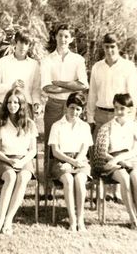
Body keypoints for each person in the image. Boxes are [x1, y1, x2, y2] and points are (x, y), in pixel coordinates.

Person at [87, 33, 137, 202]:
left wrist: (130, 118)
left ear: (118, 47)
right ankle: (99, 190)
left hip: (120, 114)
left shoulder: (128, 67)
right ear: (103, 47)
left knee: (118, 150)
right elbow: (92, 93)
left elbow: (132, 95)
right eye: (106, 47)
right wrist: (90, 117)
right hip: (101, 113)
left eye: (113, 47)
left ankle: (116, 191)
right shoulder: (97, 67)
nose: (109, 50)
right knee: (99, 152)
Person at [94, 93, 137, 230]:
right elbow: (102, 152)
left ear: (130, 109)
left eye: (122, 108)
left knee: (136, 178)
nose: (118, 112)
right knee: (124, 178)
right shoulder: (107, 127)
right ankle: (132, 219)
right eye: (116, 108)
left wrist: (121, 160)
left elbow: (135, 150)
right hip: (111, 160)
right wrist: (115, 161)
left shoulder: (135, 127)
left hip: (131, 159)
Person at [40, 24, 88, 179]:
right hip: (53, 104)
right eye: (60, 35)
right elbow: (47, 87)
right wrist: (71, 86)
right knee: (50, 143)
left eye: (66, 36)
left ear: (71, 39)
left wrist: (60, 83)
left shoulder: (78, 59)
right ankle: (48, 183)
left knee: (74, 141)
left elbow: (83, 85)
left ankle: (74, 173)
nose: (63, 39)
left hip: (73, 106)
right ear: (55, 37)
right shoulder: (47, 60)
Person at [0, 88, 38, 235]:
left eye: (16, 102)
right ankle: (0, 219)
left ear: (21, 104)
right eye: (9, 102)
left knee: (22, 177)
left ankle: (8, 220)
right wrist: (10, 162)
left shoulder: (30, 124)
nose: (12, 105)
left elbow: (33, 150)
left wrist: (22, 161)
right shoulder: (0, 124)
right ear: (6, 104)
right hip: (5, 159)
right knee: (11, 177)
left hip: (24, 160)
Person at [48, 92, 93, 232]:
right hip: (60, 160)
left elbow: (85, 148)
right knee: (68, 179)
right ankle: (72, 219)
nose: (74, 112)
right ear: (66, 107)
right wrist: (69, 161)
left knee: (79, 179)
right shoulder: (57, 125)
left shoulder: (85, 126)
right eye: (72, 107)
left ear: (82, 111)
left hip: (80, 159)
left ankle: (80, 218)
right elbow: (55, 151)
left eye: (78, 109)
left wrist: (76, 162)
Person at [0, 28, 41, 117]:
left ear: (29, 45)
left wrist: (36, 102)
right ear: (15, 42)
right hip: (7, 107)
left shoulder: (34, 65)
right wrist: (10, 86)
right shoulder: (4, 62)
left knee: (26, 131)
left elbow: (36, 89)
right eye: (21, 42)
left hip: (26, 108)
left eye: (26, 43)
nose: (23, 46)